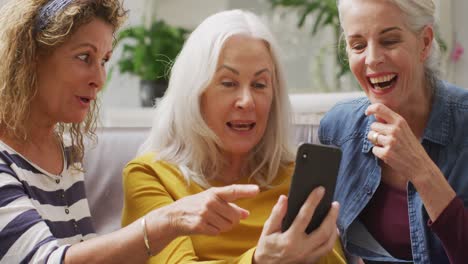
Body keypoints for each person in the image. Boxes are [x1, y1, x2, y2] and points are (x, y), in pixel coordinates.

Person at [0, 0, 260, 263]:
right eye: (84, 57)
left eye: (104, 61)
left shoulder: (65, 150)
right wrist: (169, 219)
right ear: (30, 56)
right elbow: (45, 260)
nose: (99, 79)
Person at [121, 9, 346, 264]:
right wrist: (259, 261)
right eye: (228, 83)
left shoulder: (299, 177)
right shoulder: (151, 175)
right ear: (195, 93)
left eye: (260, 85)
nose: (246, 101)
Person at [319, 0, 468, 263]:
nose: (373, 59)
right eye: (358, 45)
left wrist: (422, 169)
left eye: (389, 41)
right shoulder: (337, 130)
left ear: (424, 43)